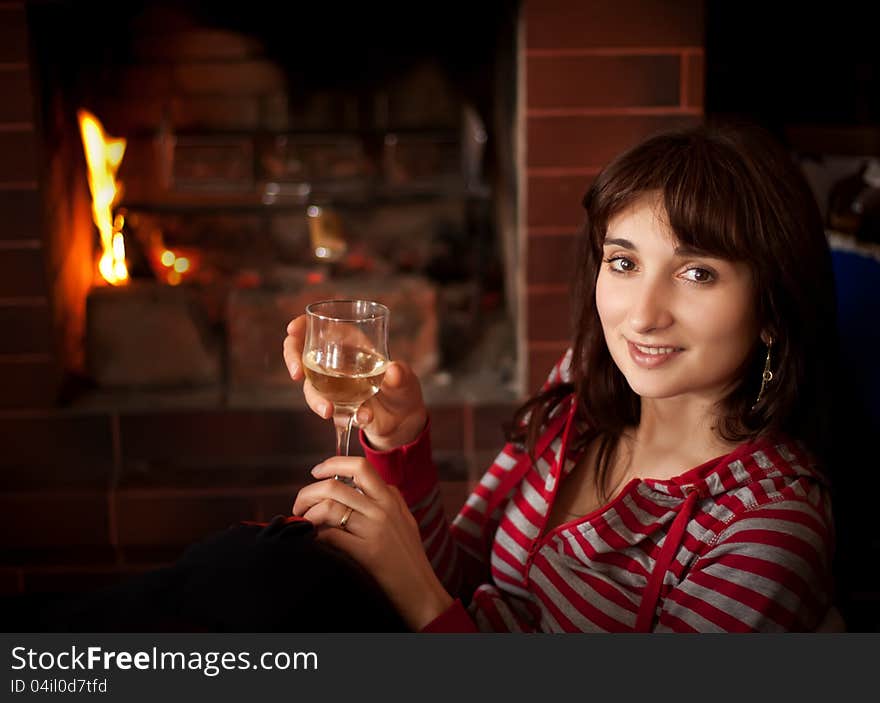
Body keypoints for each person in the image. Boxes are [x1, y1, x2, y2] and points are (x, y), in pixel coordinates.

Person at [283, 123, 840, 632]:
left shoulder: (767, 530)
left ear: (771, 307)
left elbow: (432, 599)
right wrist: (400, 442)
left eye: (697, 273)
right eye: (624, 262)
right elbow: (462, 580)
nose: (643, 316)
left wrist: (416, 594)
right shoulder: (579, 387)